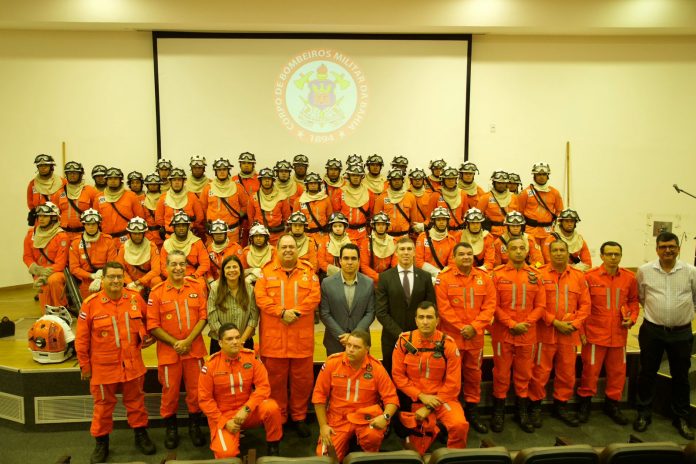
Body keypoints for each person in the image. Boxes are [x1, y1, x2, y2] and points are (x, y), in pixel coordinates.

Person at [75, 262, 156, 463]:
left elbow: (150, 321)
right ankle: (101, 442)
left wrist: (147, 336)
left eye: (119, 277)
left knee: (136, 403)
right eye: (111, 277)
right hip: (103, 367)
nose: (116, 281)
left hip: (132, 364)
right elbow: (82, 339)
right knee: (102, 407)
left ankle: (140, 434)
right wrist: (85, 365)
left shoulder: (135, 299)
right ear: (102, 279)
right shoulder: (90, 304)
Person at [254, 234, 321, 435]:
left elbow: (314, 296)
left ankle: (299, 416)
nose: (288, 250)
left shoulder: (309, 272)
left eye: (292, 246)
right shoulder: (265, 272)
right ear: (277, 249)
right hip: (274, 341)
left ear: (298, 249)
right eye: (284, 247)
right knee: (275, 382)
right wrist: (282, 312)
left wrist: (295, 313)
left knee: (303, 381)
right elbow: (261, 298)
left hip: (301, 339)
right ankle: (280, 417)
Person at [634, 232, 696, 439]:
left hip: (681, 333)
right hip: (652, 331)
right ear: (657, 249)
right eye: (663, 247)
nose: (667, 250)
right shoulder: (644, 271)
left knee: (681, 376)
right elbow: (642, 297)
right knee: (647, 373)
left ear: (678, 248)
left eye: (671, 246)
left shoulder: (691, 272)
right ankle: (643, 413)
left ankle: (681, 417)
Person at [147, 250, 208, 449]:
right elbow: (153, 325)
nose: (178, 268)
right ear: (166, 267)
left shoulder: (197, 287)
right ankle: (171, 428)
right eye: (174, 264)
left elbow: (203, 317)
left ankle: (194, 426)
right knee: (169, 393)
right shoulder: (157, 292)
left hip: (194, 350)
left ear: (187, 266)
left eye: (182, 264)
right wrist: (176, 343)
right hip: (168, 353)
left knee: (196, 391)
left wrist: (188, 341)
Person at [528, 240, 590, 428]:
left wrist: (574, 323)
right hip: (545, 333)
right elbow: (535, 304)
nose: (558, 253)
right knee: (540, 372)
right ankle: (535, 407)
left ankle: (561, 406)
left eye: (562, 250)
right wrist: (555, 322)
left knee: (567, 373)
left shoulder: (578, 276)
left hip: (569, 333)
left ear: (568, 252)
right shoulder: (539, 275)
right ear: (549, 253)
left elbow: (586, 305)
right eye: (554, 250)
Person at [434, 242, 496, 433]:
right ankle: (449, 414)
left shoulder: (484, 278)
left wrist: (474, 327)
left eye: (469, 253)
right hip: (452, 338)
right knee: (449, 377)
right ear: (453, 257)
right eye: (461, 254)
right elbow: (443, 309)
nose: (466, 257)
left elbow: (490, 306)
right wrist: (463, 328)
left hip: (475, 338)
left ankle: (472, 411)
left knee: (473, 375)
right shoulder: (443, 279)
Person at [312, 329, 399, 462]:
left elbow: (392, 399)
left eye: (356, 347)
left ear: (367, 349)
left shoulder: (376, 368)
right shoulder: (332, 363)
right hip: (338, 419)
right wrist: (323, 426)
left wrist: (385, 417)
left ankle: (369, 455)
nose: (351, 350)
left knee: (373, 436)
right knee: (324, 457)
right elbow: (319, 396)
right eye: (349, 345)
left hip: (366, 418)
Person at [392, 303, 468, 453]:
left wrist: (429, 407)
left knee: (459, 425)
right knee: (415, 451)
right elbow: (398, 376)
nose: (425, 321)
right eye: (421, 317)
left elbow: (453, 385)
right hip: (415, 399)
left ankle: (455, 456)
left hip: (443, 398)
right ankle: (433, 430)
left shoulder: (448, 344)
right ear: (415, 320)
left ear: (437, 320)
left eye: (429, 317)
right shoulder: (404, 342)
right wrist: (420, 395)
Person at [576, 241, 639, 425]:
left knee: (618, 373)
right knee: (590, 372)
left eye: (616, 254)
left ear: (620, 256)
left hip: (619, 335)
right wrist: (580, 330)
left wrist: (633, 318)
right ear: (602, 256)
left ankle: (613, 405)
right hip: (594, 335)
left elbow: (634, 301)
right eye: (609, 254)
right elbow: (580, 306)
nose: (613, 257)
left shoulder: (629, 278)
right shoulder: (589, 277)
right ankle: (585, 404)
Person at [198, 323, 282, 459]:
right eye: (230, 339)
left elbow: (263, 387)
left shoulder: (251, 358)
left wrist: (247, 409)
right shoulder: (210, 366)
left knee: (271, 407)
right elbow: (204, 400)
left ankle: (273, 447)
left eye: (237, 337)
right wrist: (224, 422)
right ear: (220, 343)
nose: (235, 342)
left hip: (247, 410)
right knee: (226, 454)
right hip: (223, 415)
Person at [489, 237, 545, 433]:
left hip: (527, 334)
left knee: (524, 374)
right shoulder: (497, 274)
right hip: (503, 332)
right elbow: (492, 305)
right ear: (507, 251)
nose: (519, 252)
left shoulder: (536, 275)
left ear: (528, 251)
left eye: (522, 248)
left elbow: (540, 305)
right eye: (514, 248)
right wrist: (511, 324)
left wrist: (526, 324)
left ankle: (522, 412)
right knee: (501, 374)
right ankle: (499, 411)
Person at [376, 236, 436, 374]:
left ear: (415, 252)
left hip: (420, 338)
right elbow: (381, 312)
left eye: (409, 249)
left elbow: (431, 306)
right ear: (396, 253)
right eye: (402, 249)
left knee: (417, 375)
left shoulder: (425, 277)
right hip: (392, 339)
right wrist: (400, 334)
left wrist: (417, 333)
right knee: (392, 375)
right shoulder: (385, 278)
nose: (406, 252)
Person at [319, 243, 375, 355]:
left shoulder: (369, 283)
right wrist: (341, 336)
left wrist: (354, 336)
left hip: (361, 342)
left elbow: (370, 313)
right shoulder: (327, 283)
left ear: (359, 261)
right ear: (340, 260)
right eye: (346, 258)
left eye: (353, 258)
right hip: (335, 342)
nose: (350, 262)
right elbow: (324, 313)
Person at [207, 255, 259, 354]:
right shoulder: (215, 288)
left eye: (235, 267)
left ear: (240, 270)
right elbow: (212, 318)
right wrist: (227, 340)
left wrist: (241, 341)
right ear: (223, 271)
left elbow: (253, 318)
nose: (232, 270)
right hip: (220, 342)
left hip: (244, 341)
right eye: (228, 267)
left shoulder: (250, 290)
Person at [23, 202, 69, 308]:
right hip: (39, 272)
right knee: (45, 309)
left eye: (45, 216)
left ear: (53, 218)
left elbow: (60, 264)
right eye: (39, 216)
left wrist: (44, 275)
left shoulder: (61, 236)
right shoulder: (31, 234)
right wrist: (36, 269)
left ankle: (62, 310)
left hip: (57, 272)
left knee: (53, 280)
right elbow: (27, 256)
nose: (41, 219)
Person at [69, 208, 118, 298]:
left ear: (98, 224)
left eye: (93, 224)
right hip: (86, 280)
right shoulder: (75, 243)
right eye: (88, 224)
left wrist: (101, 277)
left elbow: (112, 264)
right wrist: (92, 276)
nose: (91, 227)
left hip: (106, 277)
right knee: (88, 304)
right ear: (84, 225)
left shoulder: (108, 240)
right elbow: (74, 268)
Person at [201, 158, 248, 245]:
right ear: (215, 172)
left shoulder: (238, 187)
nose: (222, 172)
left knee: (232, 255)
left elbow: (245, 206)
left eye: (224, 169)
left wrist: (238, 216)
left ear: (228, 171)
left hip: (232, 232)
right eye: (219, 170)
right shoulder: (208, 188)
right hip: (214, 232)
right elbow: (203, 208)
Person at [95, 167, 145, 248]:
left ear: (120, 180)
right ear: (106, 180)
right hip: (105, 240)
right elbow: (96, 221)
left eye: (116, 178)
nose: (113, 181)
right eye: (110, 178)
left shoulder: (131, 196)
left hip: (127, 239)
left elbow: (140, 218)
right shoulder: (98, 198)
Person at [160, 211, 211, 291]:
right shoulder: (167, 244)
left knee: (201, 285)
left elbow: (205, 263)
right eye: (178, 226)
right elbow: (163, 267)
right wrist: (175, 277)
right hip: (172, 276)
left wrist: (194, 276)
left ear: (188, 227)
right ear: (173, 228)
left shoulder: (197, 242)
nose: (181, 228)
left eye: (184, 225)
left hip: (192, 276)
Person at [517, 162, 564, 247]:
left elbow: (559, 211)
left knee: (548, 257)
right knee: (535, 257)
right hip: (530, 232)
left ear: (547, 176)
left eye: (544, 174)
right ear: (534, 176)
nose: (541, 177)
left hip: (548, 232)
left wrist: (556, 226)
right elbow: (520, 212)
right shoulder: (525, 193)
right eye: (538, 174)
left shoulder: (555, 193)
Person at [52, 161, 98, 241]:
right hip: (64, 234)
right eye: (69, 173)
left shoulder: (90, 191)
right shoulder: (59, 192)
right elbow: (53, 214)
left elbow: (98, 211)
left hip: (84, 234)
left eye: (75, 173)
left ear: (80, 174)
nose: (72, 175)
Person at [115, 217, 162, 295]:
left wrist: (139, 282)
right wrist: (130, 283)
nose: (137, 236)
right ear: (130, 233)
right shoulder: (123, 248)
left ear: (144, 233)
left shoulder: (152, 246)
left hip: (147, 280)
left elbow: (156, 270)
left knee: (156, 280)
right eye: (134, 233)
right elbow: (120, 269)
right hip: (130, 282)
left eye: (139, 233)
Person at [332, 163, 374, 247]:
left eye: (358, 175)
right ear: (348, 176)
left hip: (363, 232)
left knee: (363, 257)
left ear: (361, 177)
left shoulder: (369, 193)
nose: (355, 177)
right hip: (345, 232)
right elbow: (336, 212)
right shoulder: (340, 192)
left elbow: (372, 213)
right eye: (353, 175)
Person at [155, 167, 205, 238]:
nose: (177, 182)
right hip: (169, 237)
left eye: (179, 180)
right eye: (174, 180)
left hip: (189, 236)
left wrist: (191, 226)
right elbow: (158, 219)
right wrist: (169, 228)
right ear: (170, 181)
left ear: (183, 181)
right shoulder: (163, 197)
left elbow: (199, 217)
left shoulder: (192, 196)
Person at [247, 168, 291, 245]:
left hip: (278, 235)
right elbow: (251, 218)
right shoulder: (253, 197)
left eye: (269, 179)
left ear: (273, 181)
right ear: (260, 181)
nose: (267, 181)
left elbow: (286, 217)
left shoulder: (282, 197)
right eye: (264, 179)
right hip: (260, 236)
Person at [373, 168, 416, 239]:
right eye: (394, 179)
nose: (397, 182)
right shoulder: (381, 198)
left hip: (405, 237)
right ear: (389, 181)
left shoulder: (410, 197)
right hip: (386, 237)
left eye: (399, 179)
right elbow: (376, 221)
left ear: (402, 181)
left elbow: (414, 221)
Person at [415, 207, 457, 280]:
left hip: (443, 277)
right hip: (424, 276)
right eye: (438, 220)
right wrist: (436, 273)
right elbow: (418, 262)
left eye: (444, 219)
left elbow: (452, 264)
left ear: (447, 221)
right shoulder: (422, 237)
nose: (441, 222)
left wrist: (442, 275)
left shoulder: (451, 240)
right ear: (433, 221)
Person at [477, 170, 519, 238]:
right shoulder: (486, 197)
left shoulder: (513, 197)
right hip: (492, 234)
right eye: (498, 183)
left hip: (510, 234)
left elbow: (518, 216)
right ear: (494, 183)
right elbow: (477, 216)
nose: (501, 185)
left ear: (507, 183)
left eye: (503, 183)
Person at [294, 172, 333, 242]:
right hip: (305, 236)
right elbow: (295, 219)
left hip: (322, 235)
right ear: (306, 185)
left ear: (319, 185)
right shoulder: (299, 201)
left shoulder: (326, 199)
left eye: (315, 183)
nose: (313, 185)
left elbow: (329, 216)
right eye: (310, 183)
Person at [359, 212, 397, 284]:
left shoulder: (393, 242)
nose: (381, 227)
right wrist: (378, 277)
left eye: (383, 224)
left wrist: (387, 278)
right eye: (378, 224)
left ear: (387, 226)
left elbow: (395, 265)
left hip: (388, 279)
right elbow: (364, 266)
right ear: (374, 226)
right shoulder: (366, 242)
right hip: (370, 280)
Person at [317, 212, 353, 278]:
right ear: (331, 227)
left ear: (344, 227)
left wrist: (346, 272)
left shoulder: (351, 241)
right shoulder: (324, 240)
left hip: (348, 274)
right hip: (328, 274)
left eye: (340, 226)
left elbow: (354, 261)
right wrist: (337, 271)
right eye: (335, 226)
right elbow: (321, 261)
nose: (338, 228)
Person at [433, 167, 468, 232]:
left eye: (453, 178)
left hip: (459, 231)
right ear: (443, 180)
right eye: (448, 179)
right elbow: (430, 216)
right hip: (442, 232)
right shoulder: (436, 194)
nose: (451, 181)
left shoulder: (463, 194)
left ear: (456, 180)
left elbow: (465, 215)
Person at [408, 168, 436, 238]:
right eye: (415, 179)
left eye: (420, 179)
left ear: (423, 180)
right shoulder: (405, 195)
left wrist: (424, 225)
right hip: (409, 233)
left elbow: (433, 215)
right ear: (411, 180)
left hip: (425, 232)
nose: (418, 181)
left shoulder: (430, 195)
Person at [141, 173, 164, 247]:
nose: (153, 186)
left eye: (155, 184)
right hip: (147, 236)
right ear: (147, 185)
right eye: (151, 184)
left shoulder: (165, 198)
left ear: (159, 185)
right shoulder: (141, 199)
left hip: (163, 234)